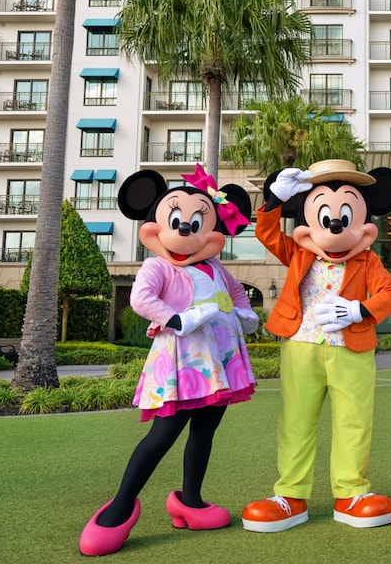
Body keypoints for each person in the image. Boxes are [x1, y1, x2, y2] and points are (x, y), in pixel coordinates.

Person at [79, 164, 258, 556]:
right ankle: (121, 505)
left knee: (205, 432)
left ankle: (190, 501)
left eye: (197, 222)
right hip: (181, 364)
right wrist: (176, 318)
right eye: (177, 220)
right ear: (157, 224)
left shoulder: (215, 266)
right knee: (161, 435)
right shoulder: (157, 265)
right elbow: (142, 298)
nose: (186, 229)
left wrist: (245, 316)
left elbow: (239, 295)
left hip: (221, 363)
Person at [242, 160, 391, 532]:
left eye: (345, 213)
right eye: (325, 214)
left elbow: (390, 294)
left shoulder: (368, 259)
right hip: (301, 346)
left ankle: (351, 493)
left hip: (352, 348)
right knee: (295, 422)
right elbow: (267, 236)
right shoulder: (299, 253)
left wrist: (358, 309)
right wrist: (272, 202)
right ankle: (291, 496)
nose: (335, 223)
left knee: (354, 422)